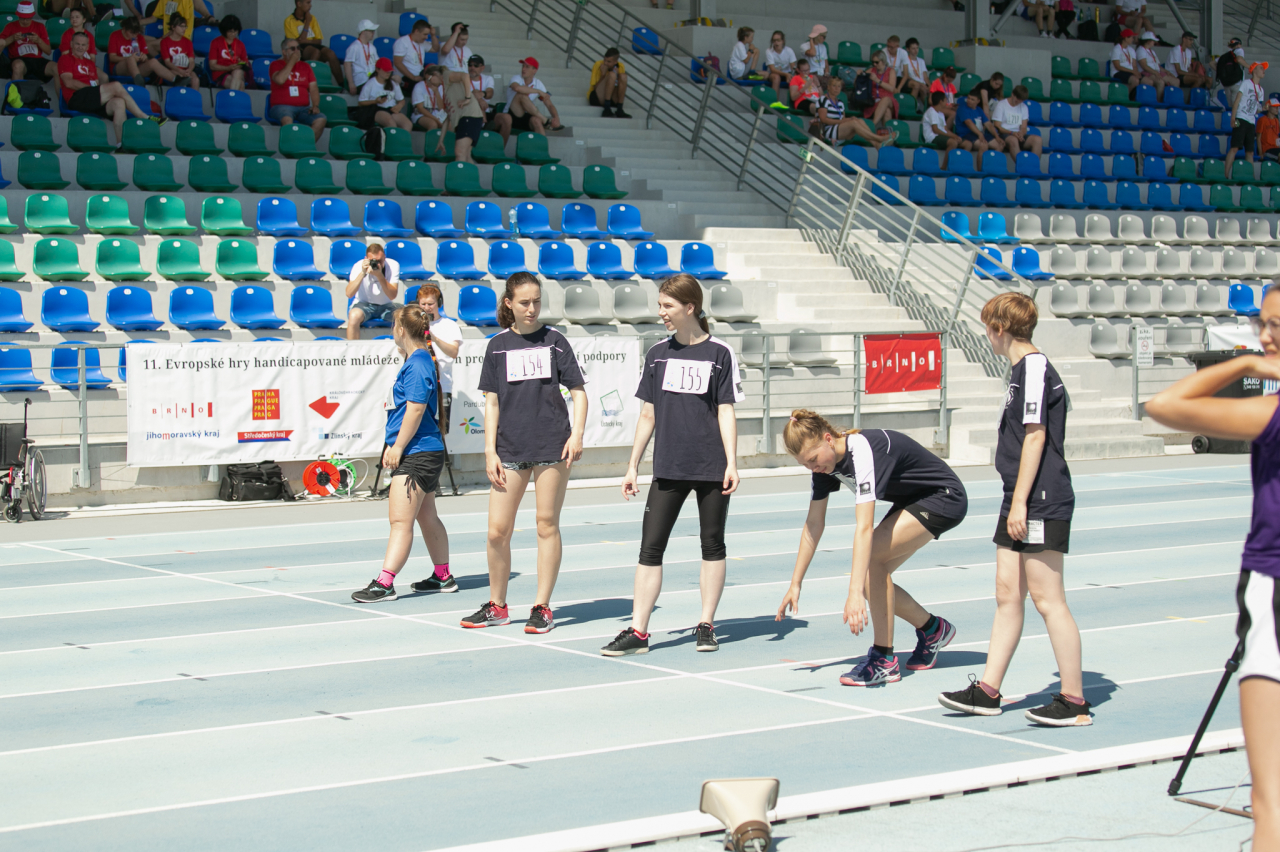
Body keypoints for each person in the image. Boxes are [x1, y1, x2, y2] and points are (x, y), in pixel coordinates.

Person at [1145, 294, 1280, 852]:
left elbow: (1165, 404)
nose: (1266, 335)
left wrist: (1244, 363)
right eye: (1262, 324)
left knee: (1270, 807)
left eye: (1276, 326)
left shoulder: (1270, 413)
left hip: (1273, 577)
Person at [937, 293, 1089, 726]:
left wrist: (1020, 502)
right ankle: (988, 690)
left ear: (999, 328)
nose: (987, 336)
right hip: (1018, 496)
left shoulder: (1034, 367)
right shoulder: (1021, 371)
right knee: (1007, 594)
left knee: (1047, 599)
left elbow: (1036, 436)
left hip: (1040, 497)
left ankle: (1074, 700)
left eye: (987, 328)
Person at [601, 274, 744, 657]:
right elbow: (647, 414)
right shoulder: (658, 354)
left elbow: (726, 410)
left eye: (667, 306)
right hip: (668, 466)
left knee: (712, 543)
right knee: (650, 548)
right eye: (660, 305)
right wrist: (632, 465)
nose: (661, 312)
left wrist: (732, 463)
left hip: (711, 466)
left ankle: (706, 624)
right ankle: (638, 630)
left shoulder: (720, 353)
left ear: (689, 307)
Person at [775, 411, 967, 687]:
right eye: (805, 464)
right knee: (871, 576)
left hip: (943, 496)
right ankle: (933, 629)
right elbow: (813, 524)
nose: (812, 468)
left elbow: (864, 527)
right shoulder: (825, 465)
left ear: (828, 439)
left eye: (813, 459)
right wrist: (795, 583)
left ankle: (884, 660)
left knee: (871, 563)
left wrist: (854, 593)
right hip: (912, 500)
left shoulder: (862, 451)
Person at [463, 272, 588, 635]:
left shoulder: (555, 341)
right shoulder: (497, 346)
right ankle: (497, 605)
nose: (532, 309)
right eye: (524, 302)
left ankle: (542, 607)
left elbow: (578, 392)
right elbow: (491, 403)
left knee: (546, 524)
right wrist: (489, 450)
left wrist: (577, 434)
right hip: (510, 449)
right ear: (509, 303)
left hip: (552, 446)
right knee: (496, 532)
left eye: (536, 301)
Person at [351, 304, 454, 604]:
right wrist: (394, 443)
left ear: (400, 329)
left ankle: (385, 583)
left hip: (417, 453)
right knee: (427, 516)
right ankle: (443, 576)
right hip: (424, 449)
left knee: (400, 521)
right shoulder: (418, 360)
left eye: (392, 326)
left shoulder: (418, 362)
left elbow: (416, 409)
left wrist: (397, 447)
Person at [59, 32, 160, 141]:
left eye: (83, 45)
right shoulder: (65, 59)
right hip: (76, 98)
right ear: (71, 44)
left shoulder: (90, 63)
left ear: (87, 47)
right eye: (77, 44)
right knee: (116, 85)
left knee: (119, 103)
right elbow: (68, 82)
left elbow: (95, 84)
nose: (80, 47)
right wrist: (94, 89)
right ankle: (143, 116)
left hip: (91, 99)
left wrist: (98, 91)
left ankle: (121, 144)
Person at [415, 285, 463, 435]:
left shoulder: (450, 325)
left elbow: (454, 352)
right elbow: (401, 350)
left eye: (431, 304)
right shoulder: (414, 325)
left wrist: (434, 338)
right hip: (418, 385)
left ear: (439, 303)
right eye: (423, 304)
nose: (426, 308)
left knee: (441, 431)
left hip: (443, 386)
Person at [270, 38, 327, 142]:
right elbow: (280, 80)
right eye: (293, 49)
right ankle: (290, 147)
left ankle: (305, 144)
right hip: (282, 106)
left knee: (321, 119)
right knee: (287, 119)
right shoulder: (275, 64)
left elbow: (313, 88)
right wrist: (292, 61)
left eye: (298, 48)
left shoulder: (306, 66)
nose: (297, 51)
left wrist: (315, 105)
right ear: (284, 52)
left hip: (303, 108)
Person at [813, 77, 896, 147]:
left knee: (859, 120)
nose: (836, 89)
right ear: (828, 87)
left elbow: (843, 119)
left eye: (839, 86)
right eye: (834, 86)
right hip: (827, 130)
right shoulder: (823, 99)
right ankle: (879, 138)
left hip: (839, 129)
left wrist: (849, 119)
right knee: (853, 123)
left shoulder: (840, 102)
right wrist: (845, 121)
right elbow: (823, 119)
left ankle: (876, 144)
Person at [345, 242, 401, 341]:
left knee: (406, 315)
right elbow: (349, 293)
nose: (377, 264)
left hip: (387, 305)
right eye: (373, 261)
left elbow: (392, 295)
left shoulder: (393, 265)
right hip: (364, 304)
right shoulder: (358, 266)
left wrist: (379, 275)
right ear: (366, 259)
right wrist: (362, 273)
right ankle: (352, 349)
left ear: (384, 257)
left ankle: (402, 347)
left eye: (379, 260)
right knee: (353, 317)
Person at [1226, 61, 1266, 180]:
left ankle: (1251, 178)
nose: (1263, 70)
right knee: (1234, 147)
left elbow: (1256, 110)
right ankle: (1225, 175)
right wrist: (1233, 117)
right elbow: (1237, 101)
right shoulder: (1246, 83)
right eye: (1261, 68)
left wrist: (1263, 109)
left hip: (1251, 121)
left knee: (1250, 152)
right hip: (1241, 118)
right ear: (1254, 71)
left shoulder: (1261, 90)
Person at [283, 0, 341, 84]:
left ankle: (342, 85)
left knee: (331, 53)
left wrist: (303, 39)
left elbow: (319, 40)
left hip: (313, 45)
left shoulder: (312, 18)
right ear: (299, 4)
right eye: (308, 2)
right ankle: (308, 82)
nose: (310, 5)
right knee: (315, 52)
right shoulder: (289, 21)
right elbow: (296, 42)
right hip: (299, 49)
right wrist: (307, 23)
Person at [504, 56, 565, 134]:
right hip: (511, 115)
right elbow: (517, 88)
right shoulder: (516, 78)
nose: (523, 69)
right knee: (521, 95)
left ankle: (543, 141)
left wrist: (556, 118)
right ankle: (545, 121)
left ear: (534, 70)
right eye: (523, 66)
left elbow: (549, 104)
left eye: (527, 67)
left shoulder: (538, 83)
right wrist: (538, 91)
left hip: (527, 117)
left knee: (536, 121)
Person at [439, 60, 485, 162]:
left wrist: (467, 98)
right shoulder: (448, 92)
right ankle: (472, 173)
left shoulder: (446, 75)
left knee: (460, 152)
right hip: (470, 118)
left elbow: (465, 76)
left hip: (469, 116)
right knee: (466, 155)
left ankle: (459, 173)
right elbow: (448, 118)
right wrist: (441, 140)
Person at [0, 1, 54, 85]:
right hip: (18, 58)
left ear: (32, 16)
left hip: (37, 60)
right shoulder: (10, 26)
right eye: (22, 18)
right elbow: (1, 43)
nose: (25, 21)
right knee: (18, 66)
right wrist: (12, 38)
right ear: (18, 16)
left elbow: (48, 51)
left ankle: (64, 94)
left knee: (57, 68)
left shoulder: (40, 26)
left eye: (28, 18)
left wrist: (38, 40)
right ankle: (16, 93)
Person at [109, 16, 173, 86]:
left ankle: (175, 79)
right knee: (131, 59)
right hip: (120, 67)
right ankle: (140, 83)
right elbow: (112, 57)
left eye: (136, 33)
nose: (134, 35)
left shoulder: (140, 37)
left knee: (153, 61)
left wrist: (144, 58)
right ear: (124, 29)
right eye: (131, 33)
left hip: (137, 67)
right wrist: (129, 58)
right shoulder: (115, 35)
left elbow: (145, 58)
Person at [357, 56, 412, 131]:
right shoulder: (370, 83)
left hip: (391, 109)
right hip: (377, 109)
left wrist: (399, 105)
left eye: (389, 71)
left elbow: (401, 100)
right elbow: (361, 102)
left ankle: (401, 139)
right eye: (386, 70)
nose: (388, 73)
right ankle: (391, 138)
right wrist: (375, 101)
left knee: (408, 124)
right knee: (391, 123)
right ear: (377, 69)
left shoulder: (393, 83)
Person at [989, 85, 1042, 161]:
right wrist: (1012, 133)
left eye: (1021, 101)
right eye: (1017, 100)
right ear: (1013, 94)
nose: (1018, 102)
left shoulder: (1024, 107)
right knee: (1013, 140)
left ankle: (1033, 164)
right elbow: (997, 126)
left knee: (1038, 140)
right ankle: (1021, 164)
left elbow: (1023, 127)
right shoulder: (1001, 104)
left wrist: (1021, 134)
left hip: (1017, 134)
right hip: (1004, 133)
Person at [393, 18, 436, 100]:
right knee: (423, 90)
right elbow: (397, 63)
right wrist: (413, 77)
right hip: (405, 78)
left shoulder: (422, 42)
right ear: (416, 31)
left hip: (418, 76)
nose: (426, 37)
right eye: (425, 34)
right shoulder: (402, 42)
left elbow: (435, 49)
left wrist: (433, 35)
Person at [208, 15, 249, 90]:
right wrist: (228, 68)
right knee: (241, 84)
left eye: (235, 31)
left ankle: (231, 95)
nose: (233, 34)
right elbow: (212, 65)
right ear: (224, 30)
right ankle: (233, 96)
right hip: (221, 73)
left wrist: (241, 63)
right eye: (230, 31)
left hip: (237, 72)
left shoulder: (240, 44)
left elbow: (246, 63)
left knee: (238, 71)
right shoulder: (215, 42)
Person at [157, 16, 199, 88]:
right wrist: (180, 71)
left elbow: (191, 61)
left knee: (195, 80)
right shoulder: (164, 42)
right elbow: (167, 62)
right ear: (173, 27)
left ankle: (194, 95)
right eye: (181, 26)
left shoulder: (188, 42)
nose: (184, 29)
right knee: (181, 78)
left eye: (185, 26)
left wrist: (189, 70)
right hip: (172, 69)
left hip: (186, 69)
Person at [589, 46, 631, 118]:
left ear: (615, 62)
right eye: (605, 60)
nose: (605, 63)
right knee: (612, 75)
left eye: (609, 61)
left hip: (613, 97)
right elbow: (594, 88)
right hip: (597, 97)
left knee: (623, 76)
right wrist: (603, 75)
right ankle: (606, 109)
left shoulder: (620, 66)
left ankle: (620, 109)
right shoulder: (598, 64)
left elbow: (620, 85)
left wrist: (617, 75)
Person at [956, 90, 1001, 157]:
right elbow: (969, 123)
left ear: (978, 101)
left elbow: (988, 124)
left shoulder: (979, 109)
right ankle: (981, 164)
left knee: (999, 145)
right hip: (966, 134)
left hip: (979, 134)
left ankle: (991, 163)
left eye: (972, 99)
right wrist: (979, 134)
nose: (969, 100)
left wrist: (997, 136)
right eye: (968, 98)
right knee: (983, 146)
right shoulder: (962, 109)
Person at [922, 91, 960, 168]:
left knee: (962, 142)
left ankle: (956, 165)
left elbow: (945, 129)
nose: (946, 102)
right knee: (953, 143)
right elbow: (935, 130)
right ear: (940, 101)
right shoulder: (931, 111)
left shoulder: (941, 113)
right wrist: (952, 137)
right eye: (945, 100)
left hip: (939, 136)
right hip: (932, 137)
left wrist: (955, 136)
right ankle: (944, 167)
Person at [862, 50, 899, 130]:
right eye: (873, 62)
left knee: (886, 99)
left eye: (877, 62)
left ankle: (872, 125)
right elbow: (860, 82)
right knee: (887, 111)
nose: (874, 64)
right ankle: (886, 134)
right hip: (874, 100)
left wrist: (877, 80)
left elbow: (891, 88)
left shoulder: (891, 71)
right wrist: (859, 75)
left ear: (883, 61)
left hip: (888, 99)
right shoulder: (871, 70)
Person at [1137, 31, 1177, 100]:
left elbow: (1158, 66)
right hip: (1146, 72)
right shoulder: (1141, 50)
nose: (1154, 42)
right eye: (1153, 41)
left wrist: (1166, 71)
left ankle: (1173, 100)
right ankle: (1158, 102)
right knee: (1160, 82)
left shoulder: (1152, 51)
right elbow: (1144, 66)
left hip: (1155, 72)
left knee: (1175, 81)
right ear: (1148, 41)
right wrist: (1155, 73)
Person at [344, 19, 379, 95]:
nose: (373, 33)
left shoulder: (372, 47)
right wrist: (351, 83)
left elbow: (377, 63)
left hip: (372, 80)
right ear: (363, 32)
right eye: (371, 31)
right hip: (360, 82)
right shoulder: (354, 47)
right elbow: (347, 65)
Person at [411, 64, 447, 132]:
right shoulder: (419, 86)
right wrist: (436, 119)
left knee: (450, 125)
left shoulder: (441, 88)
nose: (441, 78)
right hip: (420, 115)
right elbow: (420, 108)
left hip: (437, 114)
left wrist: (436, 92)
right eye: (438, 76)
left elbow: (441, 108)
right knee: (433, 124)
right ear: (429, 76)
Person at [1110, 28, 1144, 97]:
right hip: (1118, 72)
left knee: (1147, 81)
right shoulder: (1116, 49)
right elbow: (1117, 66)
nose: (1133, 39)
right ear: (1126, 38)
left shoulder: (1131, 50)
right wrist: (1133, 72)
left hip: (1130, 72)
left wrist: (1136, 72)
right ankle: (1127, 98)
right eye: (1132, 37)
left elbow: (1134, 65)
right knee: (1135, 80)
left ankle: (1140, 98)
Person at [899, 38, 929, 110]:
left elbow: (925, 77)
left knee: (928, 89)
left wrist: (930, 86)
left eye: (917, 48)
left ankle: (927, 108)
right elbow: (906, 76)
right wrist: (921, 84)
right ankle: (912, 107)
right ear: (908, 49)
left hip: (922, 83)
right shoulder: (904, 60)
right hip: (911, 82)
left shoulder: (921, 61)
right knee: (919, 86)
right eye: (913, 48)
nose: (916, 50)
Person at [764, 30, 796, 98]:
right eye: (774, 41)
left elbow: (793, 67)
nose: (776, 43)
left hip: (787, 73)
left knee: (795, 78)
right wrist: (786, 74)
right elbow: (772, 69)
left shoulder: (789, 50)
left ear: (782, 41)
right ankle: (774, 101)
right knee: (776, 77)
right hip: (774, 74)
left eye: (778, 40)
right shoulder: (769, 51)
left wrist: (792, 76)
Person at [467, 55, 497, 126]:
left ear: (482, 68)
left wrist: (481, 94)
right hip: (469, 111)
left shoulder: (488, 78)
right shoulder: (463, 79)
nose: (472, 67)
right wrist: (480, 99)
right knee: (475, 97)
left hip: (486, 110)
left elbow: (490, 93)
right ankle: (484, 125)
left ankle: (484, 124)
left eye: (476, 65)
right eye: (470, 65)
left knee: (506, 118)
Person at [1261, 98, 1280, 162]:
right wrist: (1261, 153)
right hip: (1267, 149)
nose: (1277, 109)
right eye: (1275, 107)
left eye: (1277, 107)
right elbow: (1258, 138)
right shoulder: (1262, 120)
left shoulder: (1276, 121)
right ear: (1268, 107)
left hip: (1276, 147)